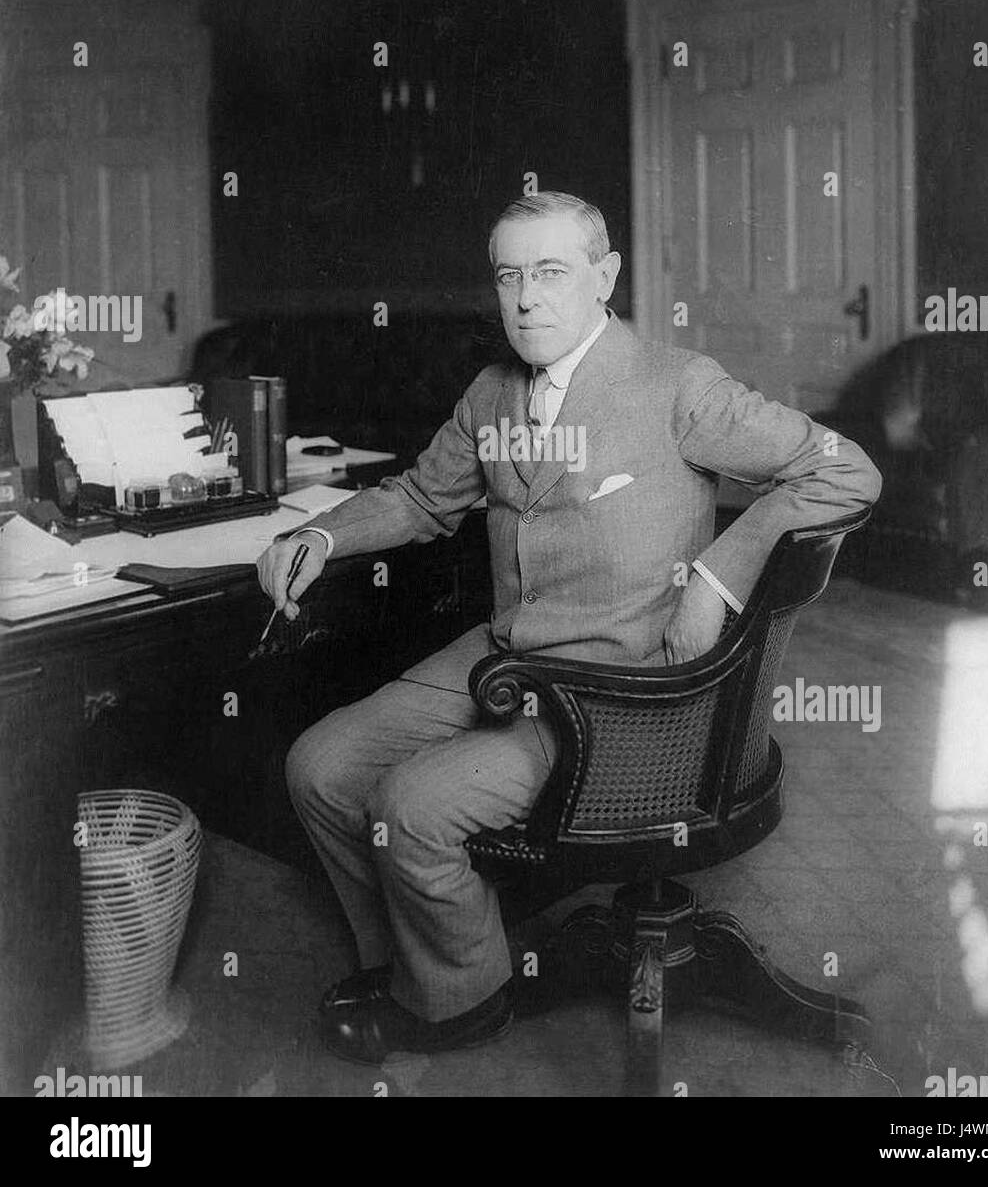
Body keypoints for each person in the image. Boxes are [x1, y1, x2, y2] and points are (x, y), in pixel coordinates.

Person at [256, 191, 881, 1063]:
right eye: (509, 275)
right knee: (319, 767)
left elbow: (843, 469)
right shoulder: (491, 392)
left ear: (605, 277)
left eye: (550, 272)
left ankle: (457, 1004)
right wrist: (320, 533)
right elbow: (421, 497)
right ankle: (411, 963)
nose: (525, 298)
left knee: (413, 806)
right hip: (509, 656)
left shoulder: (678, 386)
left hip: (627, 687)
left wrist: (716, 576)